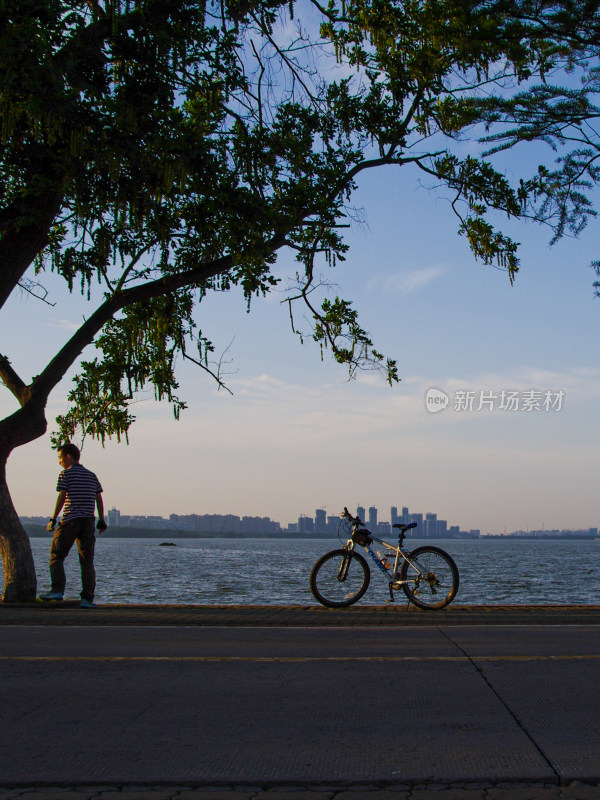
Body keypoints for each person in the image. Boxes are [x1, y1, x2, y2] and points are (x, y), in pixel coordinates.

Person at [38, 443, 107, 608]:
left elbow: (62, 496)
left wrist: (53, 519)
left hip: (70, 520)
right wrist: (101, 519)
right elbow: (98, 498)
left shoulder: (65, 474)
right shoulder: (92, 475)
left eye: (60, 458)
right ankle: (87, 598)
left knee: (56, 555)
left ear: (69, 456)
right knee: (87, 561)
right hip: (88, 522)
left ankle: (57, 590)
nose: (60, 462)